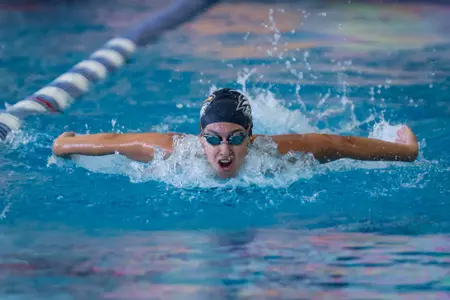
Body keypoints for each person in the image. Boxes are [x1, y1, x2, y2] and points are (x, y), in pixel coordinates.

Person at [52, 88, 419, 179]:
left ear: (252, 137)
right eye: (213, 138)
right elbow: (116, 143)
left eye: (235, 138)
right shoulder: (173, 151)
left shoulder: (272, 151)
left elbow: (341, 144)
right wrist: (65, 144)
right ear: (200, 138)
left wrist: (406, 152)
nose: (223, 149)